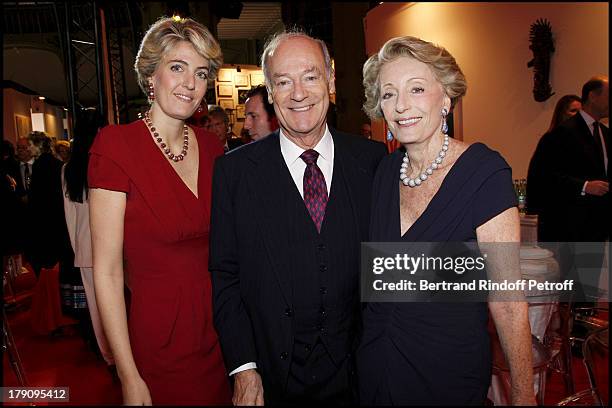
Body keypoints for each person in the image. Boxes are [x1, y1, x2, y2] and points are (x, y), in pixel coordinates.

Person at [209, 30, 387, 405]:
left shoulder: (372, 163)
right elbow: (226, 277)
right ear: (270, 93)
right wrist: (243, 368)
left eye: (310, 76)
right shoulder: (234, 173)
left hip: (360, 379)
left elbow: (391, 264)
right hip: (273, 382)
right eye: (283, 82)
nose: (299, 93)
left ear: (331, 80)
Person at [357, 36, 535, 405]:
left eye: (417, 89)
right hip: (377, 364)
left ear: (446, 98)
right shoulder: (384, 173)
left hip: (446, 371)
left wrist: (522, 394)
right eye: (388, 94)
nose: (401, 105)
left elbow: (507, 298)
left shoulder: (483, 172)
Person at [88, 16, 231, 405]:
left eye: (201, 73)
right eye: (177, 67)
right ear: (151, 75)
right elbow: (107, 270)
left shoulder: (215, 149)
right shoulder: (115, 147)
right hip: (158, 346)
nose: (190, 83)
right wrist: (128, 374)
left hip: (220, 340)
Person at [62, 110, 115, 371]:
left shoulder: (69, 169)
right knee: (118, 304)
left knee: (97, 308)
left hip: (87, 249)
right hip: (113, 246)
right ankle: (120, 356)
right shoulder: (104, 161)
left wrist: (78, 249)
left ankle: (110, 357)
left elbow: (70, 217)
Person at [526, 94, 581, 235]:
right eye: (573, 111)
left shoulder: (582, 142)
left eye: (580, 112)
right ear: (562, 113)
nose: (577, 116)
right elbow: (541, 177)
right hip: (554, 213)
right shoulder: (551, 139)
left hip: (575, 215)